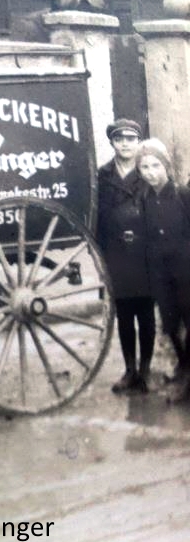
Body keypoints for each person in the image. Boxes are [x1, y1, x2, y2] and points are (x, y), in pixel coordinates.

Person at [96, 119, 154, 394]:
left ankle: (145, 371)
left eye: (131, 139)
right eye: (120, 139)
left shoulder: (148, 171)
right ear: (112, 143)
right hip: (116, 254)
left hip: (144, 253)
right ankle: (130, 370)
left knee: (146, 314)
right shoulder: (103, 175)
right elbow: (97, 218)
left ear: (138, 142)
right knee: (124, 315)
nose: (125, 144)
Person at [136, 138, 190, 403]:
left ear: (166, 166)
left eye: (155, 165)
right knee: (170, 324)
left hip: (185, 272)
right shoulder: (145, 199)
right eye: (144, 167)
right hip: (160, 274)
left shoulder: (182, 195)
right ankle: (183, 366)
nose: (150, 172)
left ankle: (187, 380)